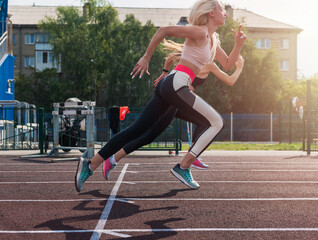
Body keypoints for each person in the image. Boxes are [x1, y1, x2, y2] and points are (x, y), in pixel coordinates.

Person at [75, 0, 246, 192]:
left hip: (171, 83)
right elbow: (163, 30)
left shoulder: (212, 39)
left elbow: (229, 64)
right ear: (211, 13)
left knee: (138, 129)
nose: (225, 12)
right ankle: (184, 166)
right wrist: (146, 57)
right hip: (176, 83)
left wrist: (238, 44)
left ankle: (90, 165)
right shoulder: (200, 31)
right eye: (222, 9)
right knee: (216, 122)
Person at [100, 52, 245, 180]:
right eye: (217, 46)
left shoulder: (195, 56)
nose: (219, 52)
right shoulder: (205, 61)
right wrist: (239, 68)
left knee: (205, 122)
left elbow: (170, 58)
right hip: (173, 101)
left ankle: (192, 156)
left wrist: (165, 73)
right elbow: (230, 80)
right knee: (147, 136)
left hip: (179, 102)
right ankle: (111, 159)